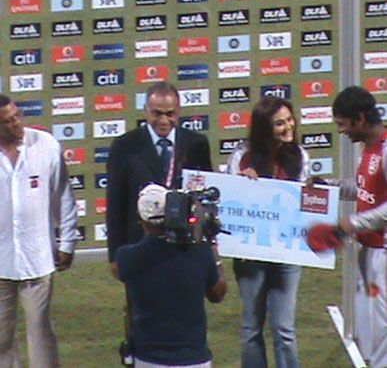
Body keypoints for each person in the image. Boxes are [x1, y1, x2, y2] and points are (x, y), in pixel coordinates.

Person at [227, 97, 310, 368]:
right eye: (279, 123)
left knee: (284, 329)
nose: (288, 127)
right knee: (252, 327)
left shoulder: (300, 155)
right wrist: (244, 182)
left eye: (289, 120)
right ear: (264, 128)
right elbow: (232, 202)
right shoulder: (242, 156)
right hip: (251, 254)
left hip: (286, 253)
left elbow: (300, 205)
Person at [0, 95, 79, 368]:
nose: (17, 123)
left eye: (18, 116)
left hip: (38, 260)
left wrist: (67, 242)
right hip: (0, 264)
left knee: (42, 333)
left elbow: (64, 197)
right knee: (1, 340)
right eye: (8, 121)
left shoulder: (44, 145)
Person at [107, 82, 212, 277]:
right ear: (146, 111)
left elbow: (205, 197)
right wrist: (114, 254)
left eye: (170, 114)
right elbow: (115, 204)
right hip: (140, 245)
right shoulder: (125, 146)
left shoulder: (197, 144)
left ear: (179, 111)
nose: (164, 120)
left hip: (185, 245)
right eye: (157, 113)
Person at [115, 183, 227, 368]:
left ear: (140, 218)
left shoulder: (126, 257)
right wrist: (211, 244)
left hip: (147, 359)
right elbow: (218, 294)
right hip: (194, 359)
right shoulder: (199, 252)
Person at [330, 86, 387, 367]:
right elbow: (364, 189)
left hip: (383, 255)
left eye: (343, 123)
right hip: (369, 250)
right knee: (369, 334)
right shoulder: (370, 148)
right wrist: (330, 188)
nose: (341, 131)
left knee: (382, 336)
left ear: (360, 119)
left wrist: (353, 221)